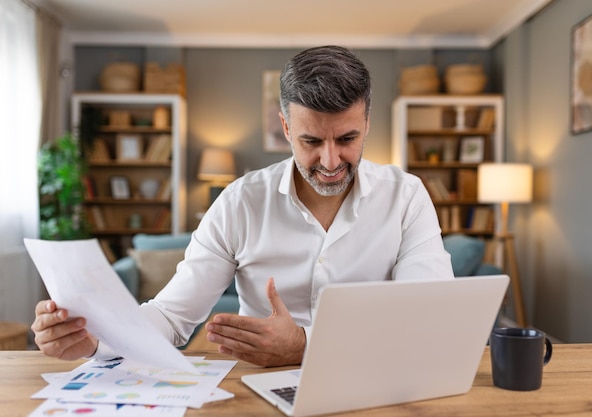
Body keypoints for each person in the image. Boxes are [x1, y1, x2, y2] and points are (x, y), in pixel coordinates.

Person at [31, 45, 454, 367]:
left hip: (374, 382)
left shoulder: (407, 196)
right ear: (286, 128)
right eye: (311, 141)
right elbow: (171, 316)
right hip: (258, 389)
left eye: (346, 139)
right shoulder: (240, 202)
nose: (329, 162)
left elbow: (428, 317)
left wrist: (304, 345)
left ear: (366, 125)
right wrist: (96, 340)